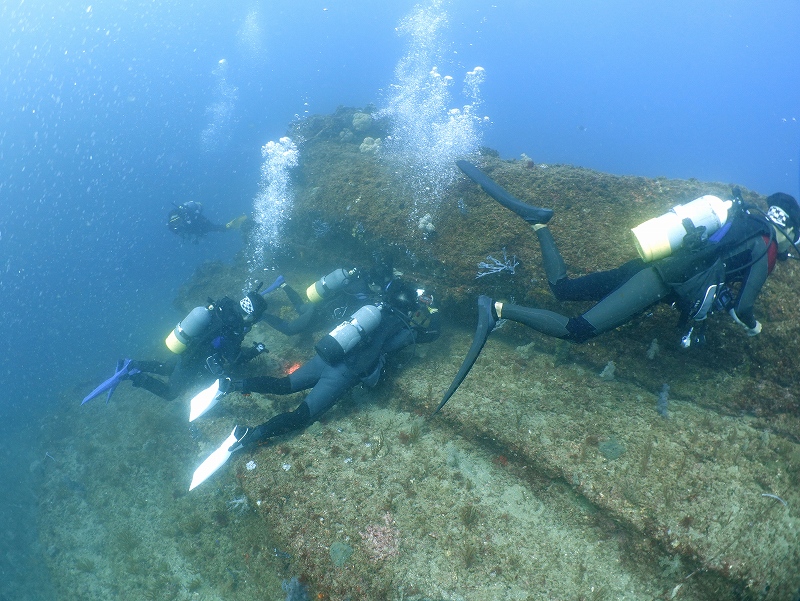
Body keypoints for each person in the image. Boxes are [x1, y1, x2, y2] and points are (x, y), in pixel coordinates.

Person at [434, 160, 800, 414]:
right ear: (789, 232)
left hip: (649, 264)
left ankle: (538, 223)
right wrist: (754, 327)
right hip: (656, 281)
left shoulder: (741, 217)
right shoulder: (766, 245)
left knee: (563, 289)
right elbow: (743, 307)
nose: (788, 253)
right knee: (577, 330)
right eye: (793, 246)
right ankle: (496, 309)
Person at [188, 277, 440, 490]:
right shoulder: (402, 325)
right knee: (300, 416)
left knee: (284, 384)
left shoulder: (373, 307)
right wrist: (433, 313)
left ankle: (231, 385)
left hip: (326, 355)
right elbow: (425, 336)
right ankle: (247, 435)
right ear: (409, 307)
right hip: (342, 375)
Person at [81, 282, 276, 405]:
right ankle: (135, 376)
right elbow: (235, 359)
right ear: (251, 314)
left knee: (167, 367)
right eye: (255, 317)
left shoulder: (226, 307)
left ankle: (133, 363)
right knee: (170, 393)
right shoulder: (233, 328)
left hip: (188, 347)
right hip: (194, 360)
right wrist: (255, 350)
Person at [167, 200, 248, 242]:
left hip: (199, 222)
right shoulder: (174, 228)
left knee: (217, 228)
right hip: (196, 229)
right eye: (174, 222)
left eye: (178, 220)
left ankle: (232, 224)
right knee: (212, 229)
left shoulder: (188, 216)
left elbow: (197, 219)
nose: (177, 224)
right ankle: (230, 225)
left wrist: (200, 231)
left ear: (181, 218)